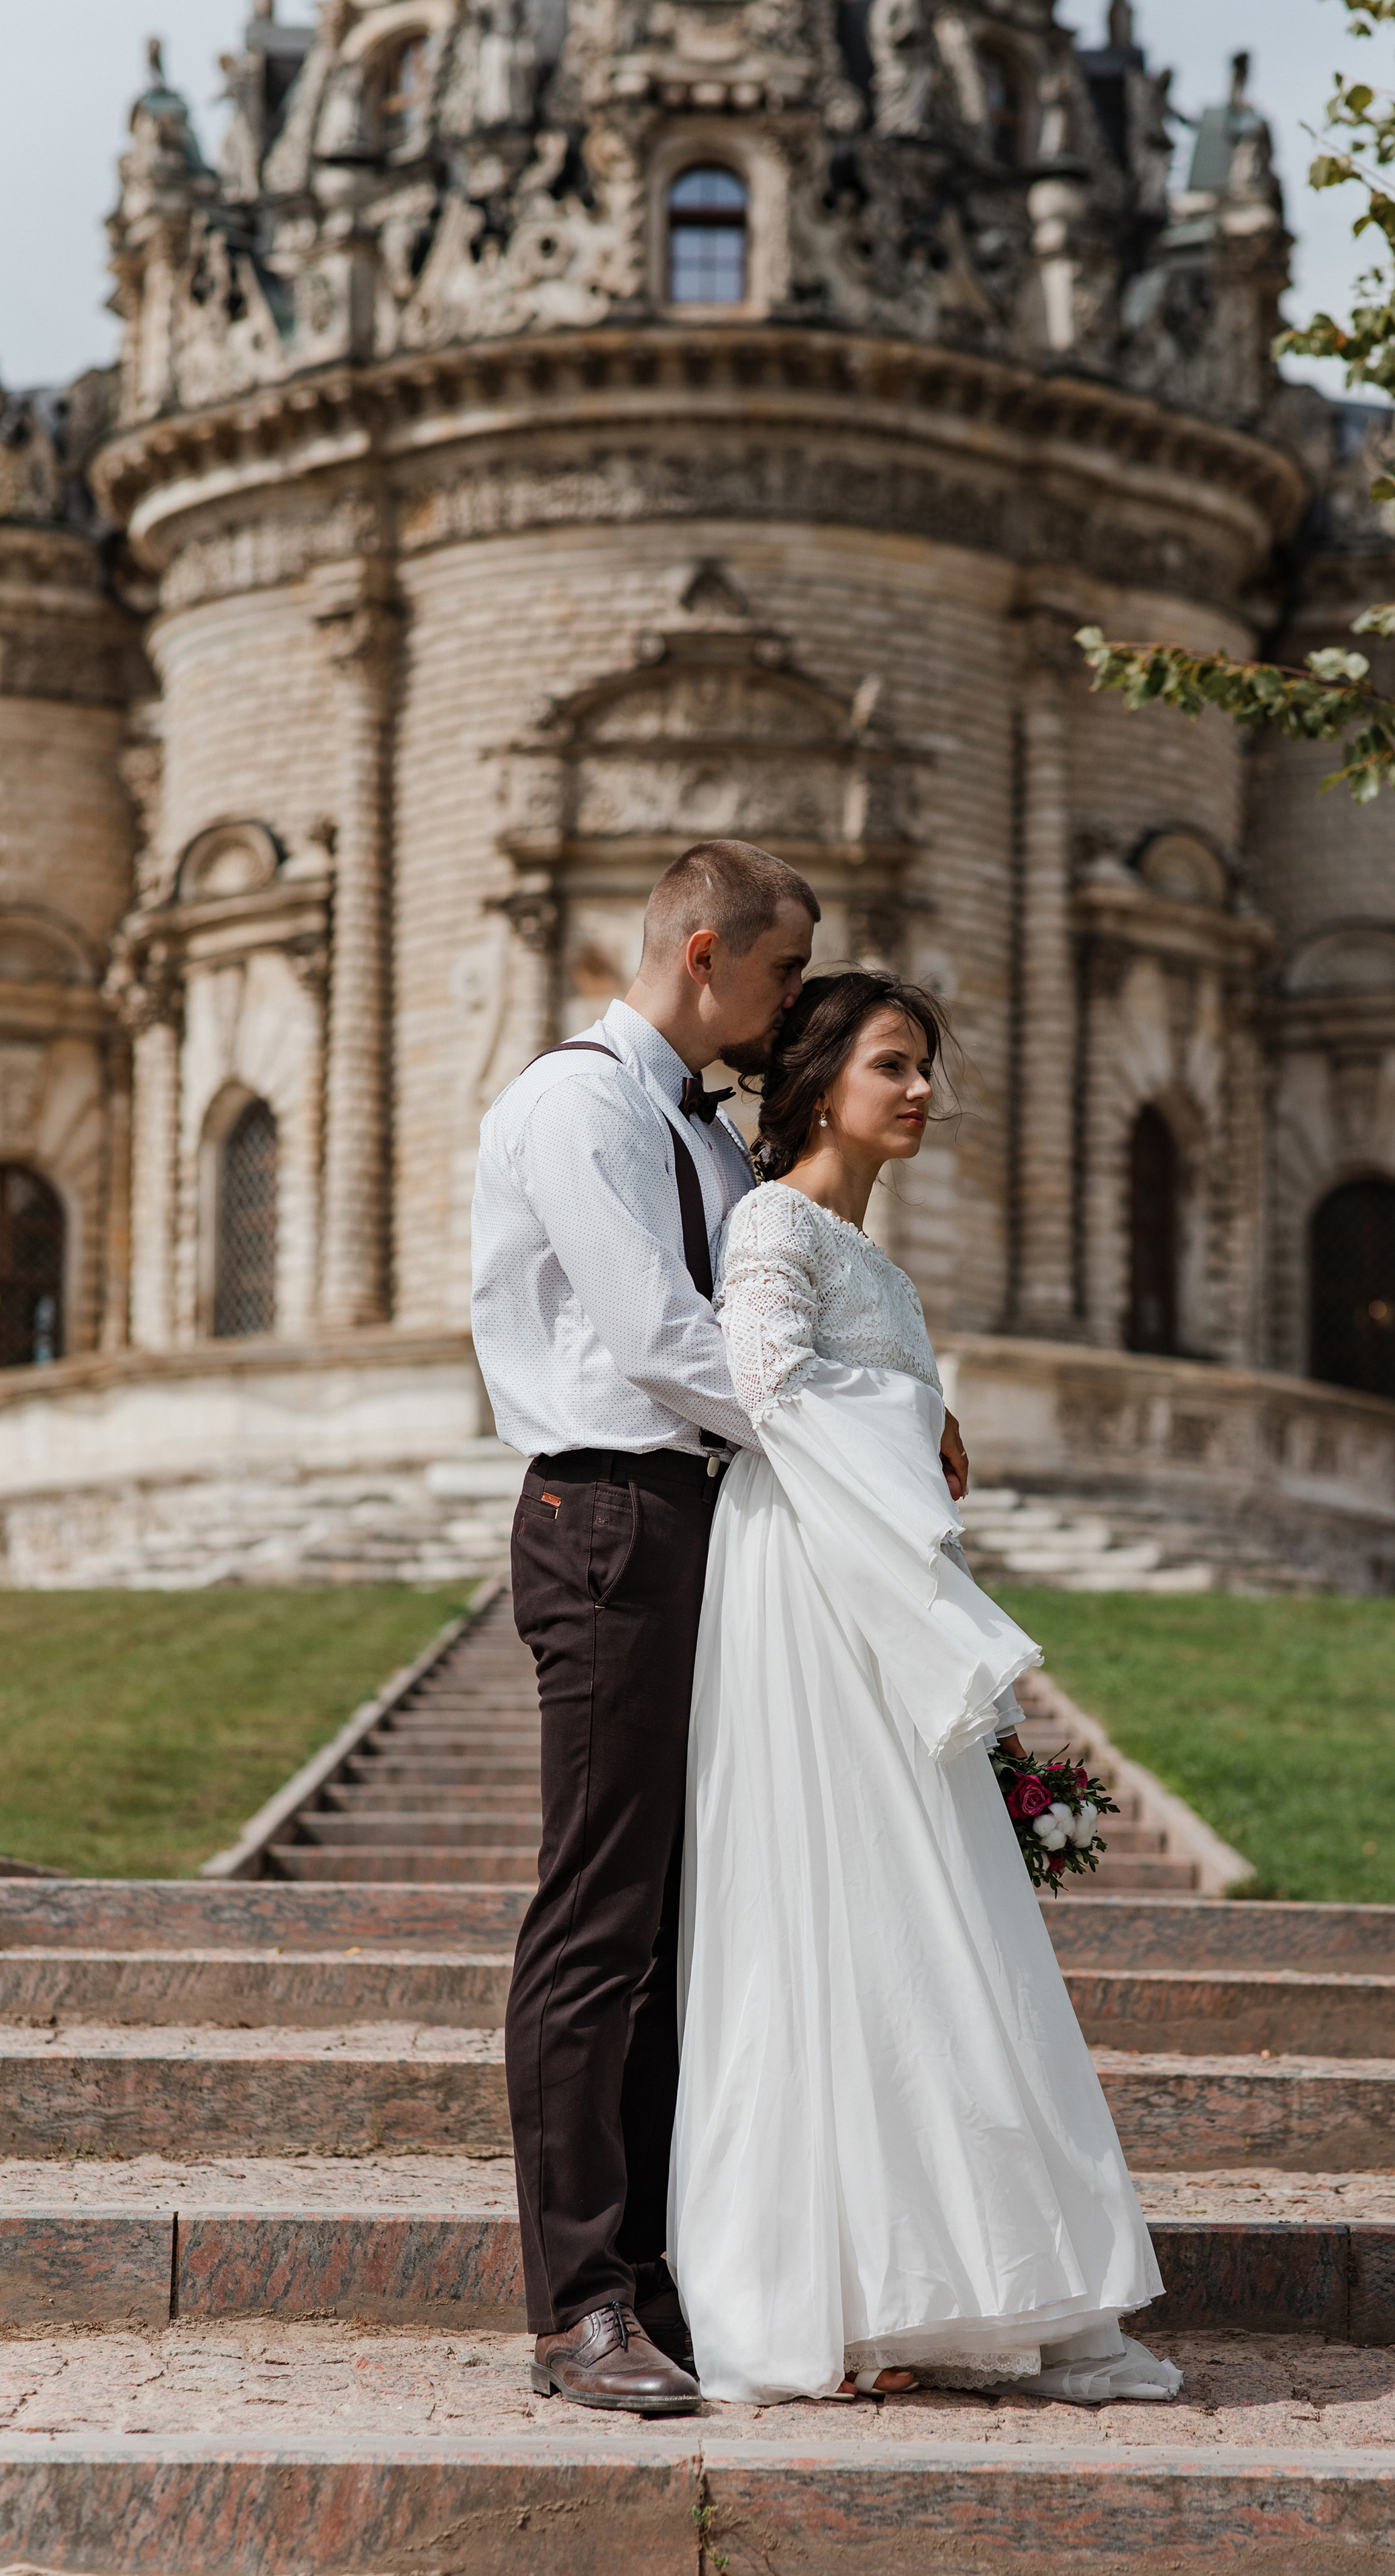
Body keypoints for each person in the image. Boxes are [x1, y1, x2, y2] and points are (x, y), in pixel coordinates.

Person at [470, 842, 970, 2415]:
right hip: (610, 1516)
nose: (786, 1007)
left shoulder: (700, 1131)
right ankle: (576, 2310)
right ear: (704, 955)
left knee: (692, 1923)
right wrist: (864, 1442)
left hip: (702, 1524)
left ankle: (669, 2269)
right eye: (775, 975)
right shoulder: (580, 1104)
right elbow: (666, 1339)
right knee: (601, 1918)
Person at [667, 969, 1182, 2406]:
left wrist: (921, 1418)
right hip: (812, 1592)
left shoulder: (868, 1255)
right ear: (817, 1080)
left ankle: (964, 2281)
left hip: (866, 1571)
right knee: (838, 1905)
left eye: (924, 1068)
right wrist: (913, 1418)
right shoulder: (773, 1221)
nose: (918, 1092)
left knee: (922, 1912)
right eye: (892, 1065)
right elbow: (760, 1379)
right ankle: (830, 2288)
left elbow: (833, 1384)